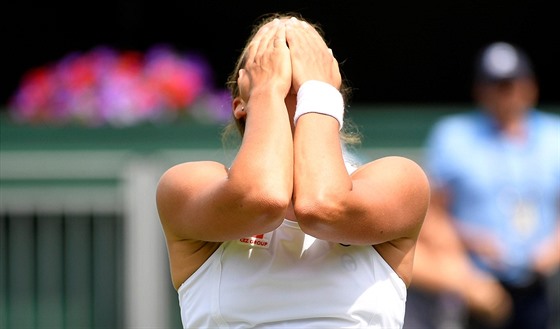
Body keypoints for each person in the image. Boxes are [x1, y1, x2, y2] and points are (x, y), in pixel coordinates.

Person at [155, 13, 430, 328]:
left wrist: (315, 92)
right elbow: (264, 198)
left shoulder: (399, 180)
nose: (293, 85)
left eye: (305, 74)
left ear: (331, 94)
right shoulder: (185, 185)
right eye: (274, 71)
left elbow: (321, 206)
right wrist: (267, 93)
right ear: (241, 103)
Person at [405, 41, 560, 329]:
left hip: (538, 283)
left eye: (510, 84)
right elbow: (430, 213)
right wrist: (466, 251)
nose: (504, 94)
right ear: (480, 90)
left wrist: (554, 246)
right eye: (495, 85)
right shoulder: (454, 136)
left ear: (530, 86)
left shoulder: (554, 135)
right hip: (478, 284)